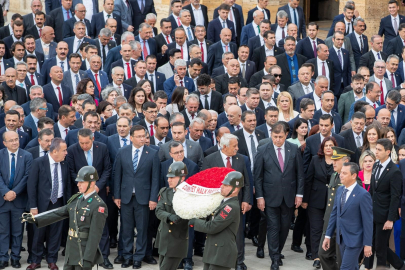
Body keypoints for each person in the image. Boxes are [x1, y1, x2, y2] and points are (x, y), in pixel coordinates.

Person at [24, 166, 108, 270]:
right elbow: (59, 213)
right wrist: (36, 219)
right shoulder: (77, 199)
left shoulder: (98, 205)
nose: (78, 184)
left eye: (82, 182)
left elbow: (95, 235)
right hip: (71, 249)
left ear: (92, 183)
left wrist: (88, 259)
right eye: (78, 182)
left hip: (83, 251)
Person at [254, 122, 304, 270]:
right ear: (271, 135)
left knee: (285, 227)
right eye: (275, 136)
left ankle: (278, 251)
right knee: (273, 227)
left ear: (286, 135)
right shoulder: (263, 150)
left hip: (288, 196)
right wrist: (260, 197)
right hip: (270, 197)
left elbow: (300, 175)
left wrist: (299, 194)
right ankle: (274, 258)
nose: (277, 139)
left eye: (280, 137)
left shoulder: (293, 149)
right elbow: (258, 177)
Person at [114, 125, 160, 269]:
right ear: (131, 137)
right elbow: (117, 176)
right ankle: (127, 257)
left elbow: (155, 179)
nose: (142, 139)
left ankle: (138, 257)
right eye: (139, 136)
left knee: (142, 229)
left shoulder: (152, 153)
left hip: (144, 198)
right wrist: (117, 196)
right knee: (126, 229)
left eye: (144, 136)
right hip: (126, 197)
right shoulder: (122, 152)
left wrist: (153, 198)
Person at [27, 138, 71, 270]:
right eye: (64, 150)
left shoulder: (64, 163)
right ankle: (36, 260)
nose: (66, 153)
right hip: (41, 205)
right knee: (38, 233)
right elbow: (31, 186)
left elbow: (67, 185)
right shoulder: (39, 162)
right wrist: (33, 206)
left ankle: (52, 260)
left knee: (55, 233)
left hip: (58, 203)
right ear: (55, 151)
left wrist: (68, 205)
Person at [322, 162, 373, 269]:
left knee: (345, 267)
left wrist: (368, 244)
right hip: (341, 238)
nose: (341, 175)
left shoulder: (363, 195)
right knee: (352, 267)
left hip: (355, 240)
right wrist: (328, 235)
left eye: (344, 173)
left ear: (354, 176)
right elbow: (334, 214)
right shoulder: (340, 190)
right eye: (341, 173)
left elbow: (368, 221)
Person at [189, 171, 244, 270]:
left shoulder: (230, 207)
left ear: (235, 189)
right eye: (222, 183)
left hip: (221, 254)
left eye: (226, 185)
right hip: (214, 251)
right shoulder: (223, 203)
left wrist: (193, 221)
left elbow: (212, 227)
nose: (221, 186)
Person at [365, 138, 404, 269]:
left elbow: (395, 197)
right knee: (371, 243)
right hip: (372, 213)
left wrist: (390, 219)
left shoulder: (394, 171)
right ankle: (368, 267)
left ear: (388, 152)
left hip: (385, 216)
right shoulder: (376, 165)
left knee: (380, 247)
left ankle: (395, 265)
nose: (376, 152)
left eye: (379, 150)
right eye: (376, 149)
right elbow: (373, 191)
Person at [303, 137, 337, 268]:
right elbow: (308, 179)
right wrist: (305, 200)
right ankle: (316, 256)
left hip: (333, 201)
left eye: (331, 145)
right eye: (326, 145)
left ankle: (328, 254)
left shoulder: (339, 160)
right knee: (316, 229)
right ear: (322, 148)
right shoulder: (315, 160)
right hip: (315, 199)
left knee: (329, 228)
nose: (328, 147)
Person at [0, 131, 32, 269]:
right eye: (11, 140)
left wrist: (14, 192)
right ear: (4, 143)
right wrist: (5, 192)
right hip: (3, 200)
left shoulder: (27, 155)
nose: (14, 142)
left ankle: (15, 258)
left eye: (16, 139)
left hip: (18, 200)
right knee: (3, 231)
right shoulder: (0, 155)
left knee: (18, 232)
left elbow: (27, 177)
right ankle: (3, 258)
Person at [155, 161, 190, 270]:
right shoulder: (165, 192)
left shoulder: (189, 195)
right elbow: (158, 211)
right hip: (163, 238)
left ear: (182, 178)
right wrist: (170, 216)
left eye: (172, 177)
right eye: (168, 177)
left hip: (177, 240)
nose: (169, 180)